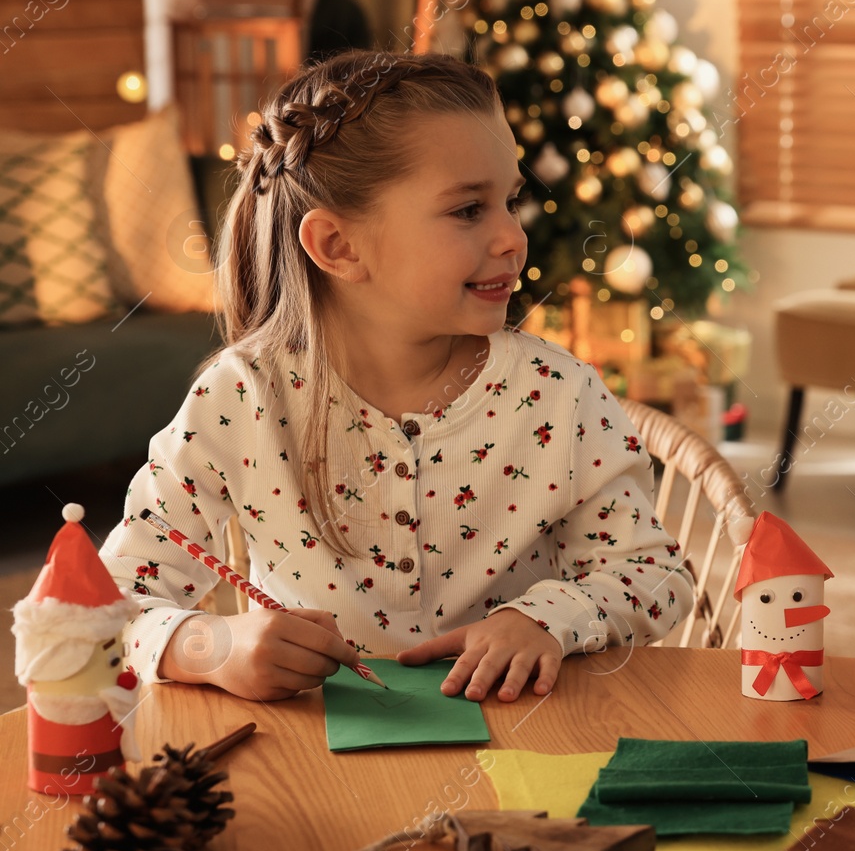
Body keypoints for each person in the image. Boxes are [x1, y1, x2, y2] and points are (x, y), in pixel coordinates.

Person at [101, 50, 693, 704]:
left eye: (512, 201)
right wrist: (213, 647)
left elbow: (656, 575)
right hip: (313, 766)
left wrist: (547, 617)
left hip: (531, 753)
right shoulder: (240, 399)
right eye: (470, 209)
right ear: (338, 246)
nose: (512, 238)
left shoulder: (561, 395)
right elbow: (102, 605)